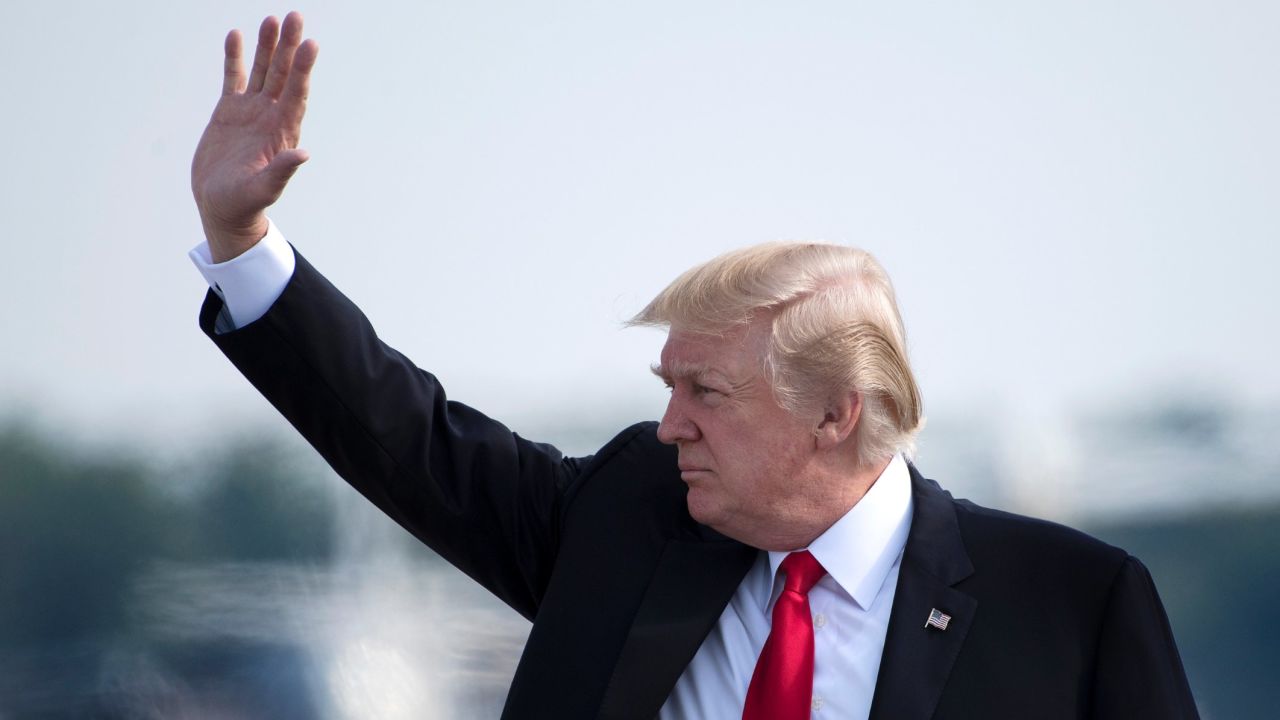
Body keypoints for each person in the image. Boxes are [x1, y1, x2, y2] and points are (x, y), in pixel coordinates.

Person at [190, 12, 1199, 720]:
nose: (669, 425)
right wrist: (242, 241)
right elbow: (406, 438)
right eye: (666, 387)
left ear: (835, 414)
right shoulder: (627, 521)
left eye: (704, 392)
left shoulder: (1071, 604)